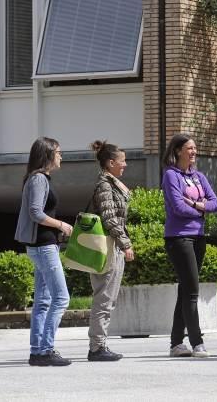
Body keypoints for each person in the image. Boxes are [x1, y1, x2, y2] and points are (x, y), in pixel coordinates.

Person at [14, 137, 74, 366]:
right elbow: (36, 213)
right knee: (61, 298)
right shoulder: (39, 178)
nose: (61, 156)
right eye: (58, 152)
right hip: (44, 247)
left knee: (43, 300)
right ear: (48, 154)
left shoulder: (37, 178)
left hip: (40, 246)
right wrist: (61, 225)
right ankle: (46, 349)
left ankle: (37, 351)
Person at [161, 134, 217, 358]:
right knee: (192, 291)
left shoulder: (198, 176)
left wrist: (197, 205)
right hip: (179, 238)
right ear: (178, 151)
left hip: (198, 236)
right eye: (189, 148)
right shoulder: (170, 175)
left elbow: (216, 202)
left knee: (185, 290)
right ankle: (197, 342)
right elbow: (177, 207)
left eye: (195, 148)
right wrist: (202, 210)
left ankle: (176, 344)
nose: (194, 152)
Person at [87, 140, 135, 362]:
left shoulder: (112, 183)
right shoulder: (105, 185)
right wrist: (125, 243)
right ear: (110, 163)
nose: (125, 165)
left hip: (112, 245)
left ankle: (99, 344)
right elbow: (110, 218)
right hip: (107, 247)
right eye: (122, 161)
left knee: (108, 297)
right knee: (104, 297)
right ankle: (97, 347)